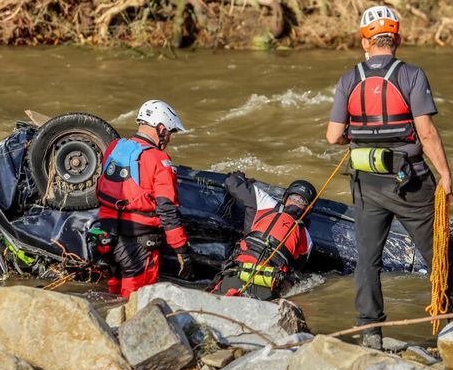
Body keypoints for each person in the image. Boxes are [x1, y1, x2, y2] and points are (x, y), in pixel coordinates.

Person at [325, 5, 453, 349]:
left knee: (368, 258)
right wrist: (446, 175)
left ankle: (370, 331)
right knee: (438, 250)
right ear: (398, 39)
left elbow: (333, 136)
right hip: (411, 183)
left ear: (365, 42)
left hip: (365, 183)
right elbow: (428, 134)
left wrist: (355, 135)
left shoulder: (349, 79)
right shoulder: (412, 75)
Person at [94, 99, 192, 298]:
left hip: (106, 237)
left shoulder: (114, 147)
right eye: (171, 133)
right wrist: (182, 250)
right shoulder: (159, 160)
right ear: (162, 128)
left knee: (114, 289)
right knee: (136, 299)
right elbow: (167, 210)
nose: (170, 139)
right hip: (139, 243)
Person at [210, 172, 316, 300]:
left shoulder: (264, 202)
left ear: (284, 198)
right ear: (309, 209)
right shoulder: (306, 238)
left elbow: (231, 182)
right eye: (294, 198)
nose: (296, 202)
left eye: (301, 201)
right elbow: (296, 270)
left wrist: (239, 176)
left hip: (236, 275)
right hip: (266, 286)